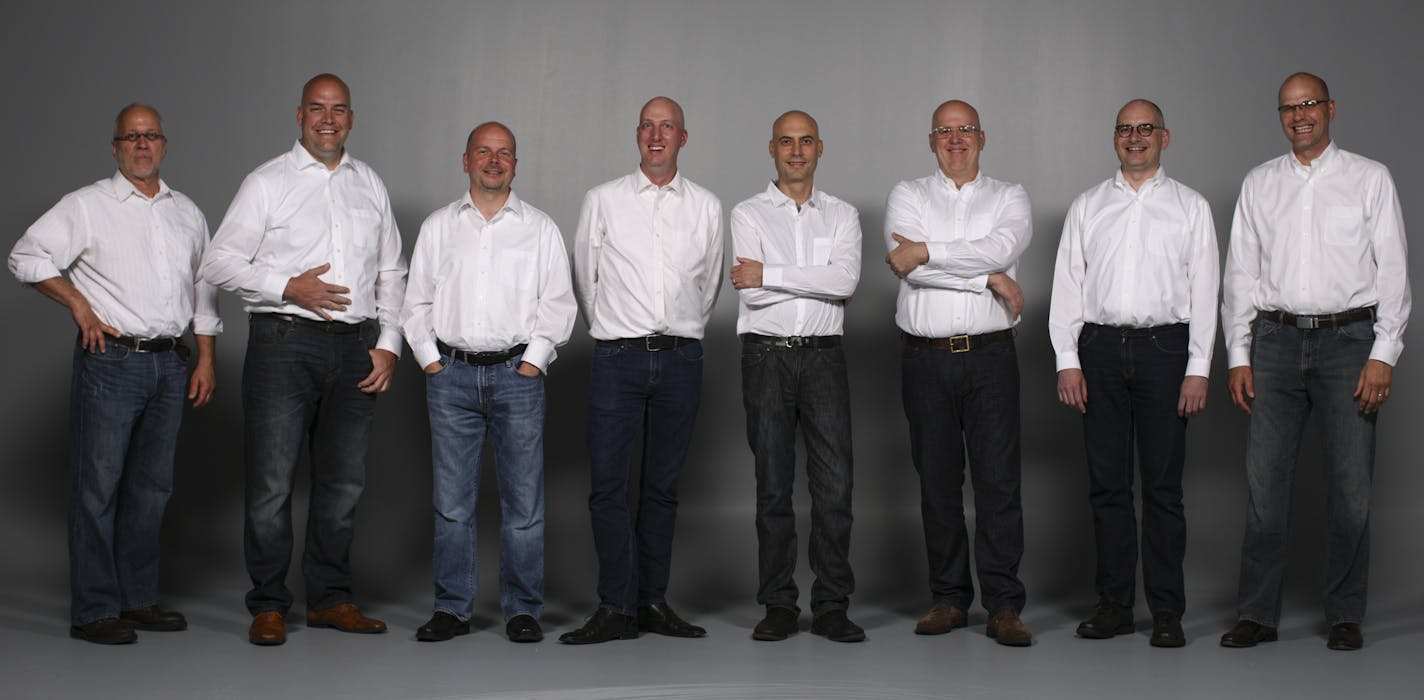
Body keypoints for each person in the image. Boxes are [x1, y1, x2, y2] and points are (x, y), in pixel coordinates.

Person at [200, 73, 408, 646]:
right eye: (317, 109)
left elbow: (393, 270)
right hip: (283, 344)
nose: (328, 119)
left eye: (339, 109)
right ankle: (268, 604)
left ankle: (330, 599)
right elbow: (218, 262)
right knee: (271, 485)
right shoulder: (268, 181)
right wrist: (289, 286)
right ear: (299, 116)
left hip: (356, 346)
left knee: (342, 484)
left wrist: (389, 343)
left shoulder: (370, 184)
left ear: (351, 118)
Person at [8, 103, 220, 644]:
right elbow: (26, 257)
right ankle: (95, 610)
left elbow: (203, 288)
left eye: (150, 137)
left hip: (172, 365)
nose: (142, 146)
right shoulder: (86, 206)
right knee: (97, 488)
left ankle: (139, 599)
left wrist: (206, 358)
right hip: (112, 362)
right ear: (115, 147)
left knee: (152, 489)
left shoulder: (187, 212)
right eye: (131, 138)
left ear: (165, 144)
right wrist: (77, 303)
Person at [1219, 72, 1409, 652]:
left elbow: (1394, 271)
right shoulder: (1260, 183)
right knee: (1264, 487)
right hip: (1274, 344)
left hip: (1350, 344)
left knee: (1350, 487)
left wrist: (1384, 352)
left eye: (1309, 105)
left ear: (1331, 108)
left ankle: (1345, 613)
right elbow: (1241, 275)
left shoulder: (1369, 178)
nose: (1299, 116)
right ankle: (1257, 614)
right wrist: (1238, 352)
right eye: (1288, 108)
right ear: (1280, 116)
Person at [1048, 99, 1219, 648]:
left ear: (1164, 138)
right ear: (1115, 137)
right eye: (1125, 129)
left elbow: (1207, 292)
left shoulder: (1190, 207)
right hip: (1098, 347)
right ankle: (1115, 604)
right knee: (1107, 487)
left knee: (1164, 489)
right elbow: (1067, 287)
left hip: (1166, 351)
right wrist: (1068, 360)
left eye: (1146, 128)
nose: (1135, 137)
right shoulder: (1088, 205)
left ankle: (1167, 610)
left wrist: (1199, 368)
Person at [401, 122, 576, 644]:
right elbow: (416, 303)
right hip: (450, 378)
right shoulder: (438, 227)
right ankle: (452, 608)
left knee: (523, 505)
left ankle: (522, 609)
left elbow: (559, 304)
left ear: (516, 164)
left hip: (517, 376)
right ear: (466, 160)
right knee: (452, 504)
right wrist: (432, 362)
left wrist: (533, 362)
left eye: (504, 154)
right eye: (484, 152)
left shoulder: (540, 228)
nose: (494, 161)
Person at [562, 96, 724, 644]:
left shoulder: (705, 205)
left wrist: (676, 332)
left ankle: (652, 601)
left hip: (681, 358)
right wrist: (618, 329)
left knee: (662, 488)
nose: (658, 135)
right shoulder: (603, 200)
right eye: (649, 126)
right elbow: (587, 279)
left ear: (684, 136)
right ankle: (616, 607)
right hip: (617, 358)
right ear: (638, 135)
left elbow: (708, 288)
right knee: (608, 487)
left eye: (668, 127)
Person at [884, 99, 1034, 646]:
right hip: (924, 358)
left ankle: (1004, 605)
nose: (955, 139)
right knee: (938, 483)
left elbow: (1000, 245)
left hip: (991, 357)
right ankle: (948, 598)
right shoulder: (908, 194)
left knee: (999, 484)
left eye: (965, 129)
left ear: (982, 137)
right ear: (931, 141)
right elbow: (906, 267)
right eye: (945, 132)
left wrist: (930, 251)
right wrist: (989, 279)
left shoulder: (1009, 197)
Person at [730, 111, 863, 643]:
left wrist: (774, 272)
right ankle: (779, 603)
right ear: (771, 149)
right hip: (766, 357)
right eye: (786, 142)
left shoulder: (844, 214)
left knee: (835, 487)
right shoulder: (747, 212)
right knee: (773, 487)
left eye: (805, 141)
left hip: (825, 358)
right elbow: (751, 291)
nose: (796, 151)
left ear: (820, 148)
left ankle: (831, 604)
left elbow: (847, 280)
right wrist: (816, 282)